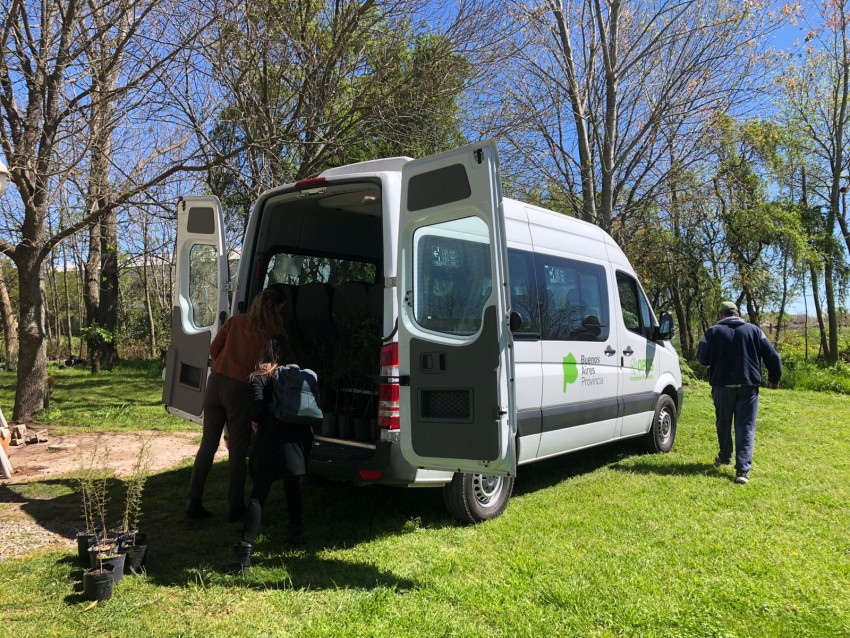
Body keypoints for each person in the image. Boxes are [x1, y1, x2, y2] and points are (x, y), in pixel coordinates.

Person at [186, 286, 289, 521]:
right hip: (239, 390)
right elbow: (273, 366)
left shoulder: (236, 321)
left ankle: (193, 501)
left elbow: (214, 349)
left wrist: (226, 362)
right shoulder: (272, 332)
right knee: (238, 448)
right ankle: (235, 507)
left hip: (215, 385)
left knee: (208, 445)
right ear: (276, 309)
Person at [233, 335, 318, 573]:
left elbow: (258, 411)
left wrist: (255, 422)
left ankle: (245, 553)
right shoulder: (299, 376)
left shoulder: (259, 377)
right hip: (298, 439)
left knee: (259, 494)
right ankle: (296, 534)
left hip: (271, 439)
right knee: (293, 487)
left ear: (265, 352)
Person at [696, 301, 782, 484]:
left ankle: (725, 456)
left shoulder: (712, 332)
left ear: (721, 315)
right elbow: (773, 356)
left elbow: (702, 359)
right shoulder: (754, 330)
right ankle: (742, 471)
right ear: (737, 313)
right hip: (748, 386)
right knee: (746, 426)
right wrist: (774, 378)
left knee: (723, 422)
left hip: (722, 386)